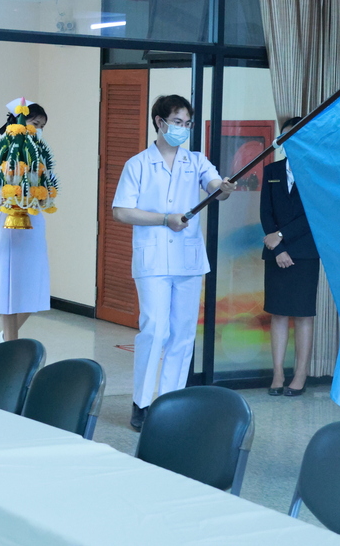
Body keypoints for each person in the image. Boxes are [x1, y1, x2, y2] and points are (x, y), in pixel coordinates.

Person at [112, 94, 237, 430]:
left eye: (187, 124)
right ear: (159, 122)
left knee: (182, 333)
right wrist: (165, 219)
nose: (183, 128)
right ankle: (142, 403)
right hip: (152, 259)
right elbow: (121, 211)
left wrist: (224, 187)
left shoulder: (196, 161)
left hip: (187, 260)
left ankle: (170, 402)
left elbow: (216, 188)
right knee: (154, 329)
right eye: (177, 122)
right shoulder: (138, 164)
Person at [0, 101, 50, 342]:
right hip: (5, 219)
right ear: (20, 121)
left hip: (33, 219)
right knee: (7, 282)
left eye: (42, 126)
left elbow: (49, 182)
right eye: (35, 123)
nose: (38, 129)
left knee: (33, 281)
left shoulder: (40, 151)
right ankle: (10, 339)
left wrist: (42, 195)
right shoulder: (0, 146)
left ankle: (7, 335)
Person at [260, 116, 319, 397]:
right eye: (285, 137)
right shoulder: (272, 170)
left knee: (303, 315)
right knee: (279, 313)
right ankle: (278, 374)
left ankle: (300, 374)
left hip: (305, 252)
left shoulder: (317, 172)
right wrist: (278, 248)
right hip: (275, 253)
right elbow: (266, 213)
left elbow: (313, 215)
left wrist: (282, 237)